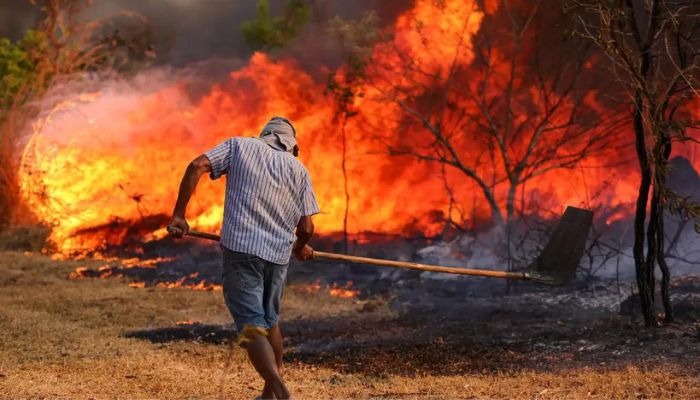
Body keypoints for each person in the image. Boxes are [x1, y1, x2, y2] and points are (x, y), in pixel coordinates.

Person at [167, 116, 319, 399]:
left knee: (251, 325)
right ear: (292, 145)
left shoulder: (239, 147)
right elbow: (307, 228)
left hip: (242, 252)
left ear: (264, 135)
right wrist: (299, 246)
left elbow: (196, 165)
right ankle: (269, 396)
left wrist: (179, 215)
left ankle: (281, 391)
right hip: (277, 257)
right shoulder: (299, 170)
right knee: (270, 321)